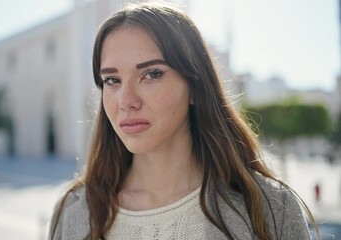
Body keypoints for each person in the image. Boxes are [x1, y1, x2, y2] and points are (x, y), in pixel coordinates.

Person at [49, 2, 318, 239]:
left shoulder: (271, 208)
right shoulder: (74, 212)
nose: (126, 100)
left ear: (194, 87)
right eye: (112, 80)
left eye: (152, 74)